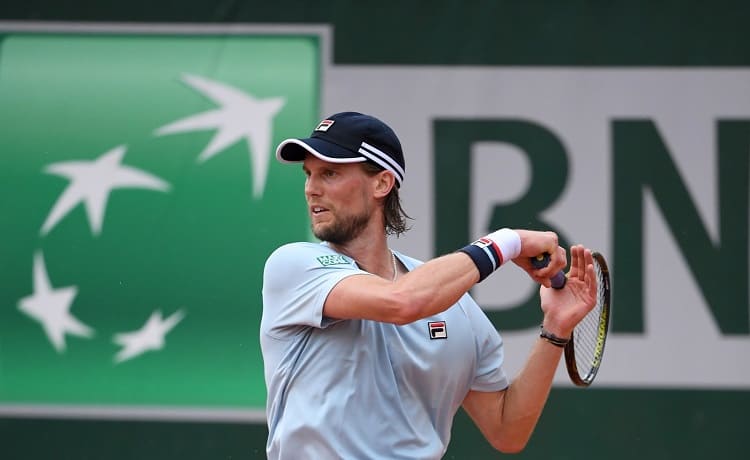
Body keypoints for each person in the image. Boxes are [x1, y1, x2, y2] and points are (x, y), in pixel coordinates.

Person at [261, 111, 597, 459]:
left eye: (330, 173)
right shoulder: (294, 267)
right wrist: (507, 242)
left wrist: (556, 328)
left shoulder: (456, 306)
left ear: (381, 183)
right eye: (309, 174)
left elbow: (507, 430)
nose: (311, 188)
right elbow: (402, 303)